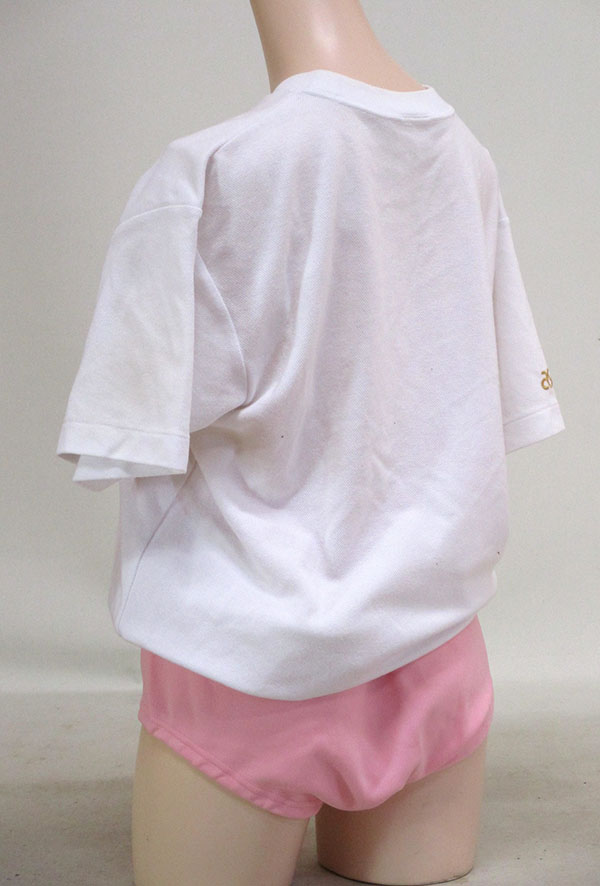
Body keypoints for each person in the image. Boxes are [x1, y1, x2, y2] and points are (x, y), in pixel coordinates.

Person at [55, 1, 565, 884]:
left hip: (250, 665)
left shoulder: (213, 172)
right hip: (439, 652)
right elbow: (496, 396)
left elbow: (127, 432)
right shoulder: (464, 156)